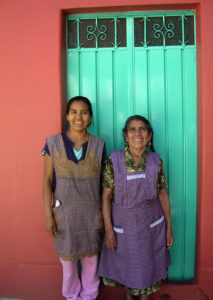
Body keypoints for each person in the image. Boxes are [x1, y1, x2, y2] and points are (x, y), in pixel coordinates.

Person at [98, 115, 174, 300]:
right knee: (127, 268)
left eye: (142, 129)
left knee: (148, 267)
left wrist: (169, 228)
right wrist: (108, 229)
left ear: (149, 136)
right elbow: (106, 197)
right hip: (124, 226)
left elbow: (163, 194)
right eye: (132, 129)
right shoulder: (113, 161)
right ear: (126, 136)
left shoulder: (156, 161)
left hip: (151, 226)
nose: (137, 133)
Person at [42, 96, 106, 300]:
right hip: (64, 216)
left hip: (91, 216)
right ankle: (71, 297)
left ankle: (88, 297)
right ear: (67, 115)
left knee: (91, 263)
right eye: (74, 112)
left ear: (91, 117)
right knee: (68, 266)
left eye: (84, 112)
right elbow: (46, 181)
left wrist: (104, 215)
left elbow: (104, 185)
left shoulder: (99, 144)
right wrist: (48, 215)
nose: (79, 116)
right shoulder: (52, 143)